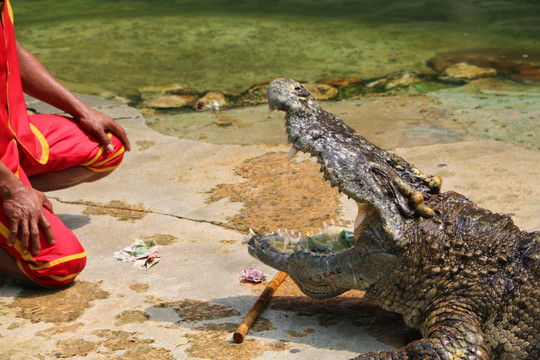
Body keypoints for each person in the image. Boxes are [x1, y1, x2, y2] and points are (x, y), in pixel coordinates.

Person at [0, 0, 130, 287]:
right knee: (61, 266)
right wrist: (12, 190)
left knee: (107, 147)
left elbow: (13, 53)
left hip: (11, 137)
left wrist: (83, 110)